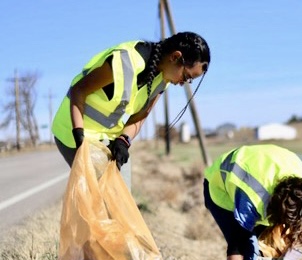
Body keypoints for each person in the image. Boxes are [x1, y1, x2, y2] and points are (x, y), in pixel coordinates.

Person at [51, 31, 210, 184]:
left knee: (121, 194)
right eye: (186, 77)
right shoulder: (125, 62)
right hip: (74, 131)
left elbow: (141, 116)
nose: (183, 83)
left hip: (106, 136)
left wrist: (123, 140)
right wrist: (79, 136)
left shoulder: (163, 79)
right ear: (175, 57)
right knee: (104, 197)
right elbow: (78, 90)